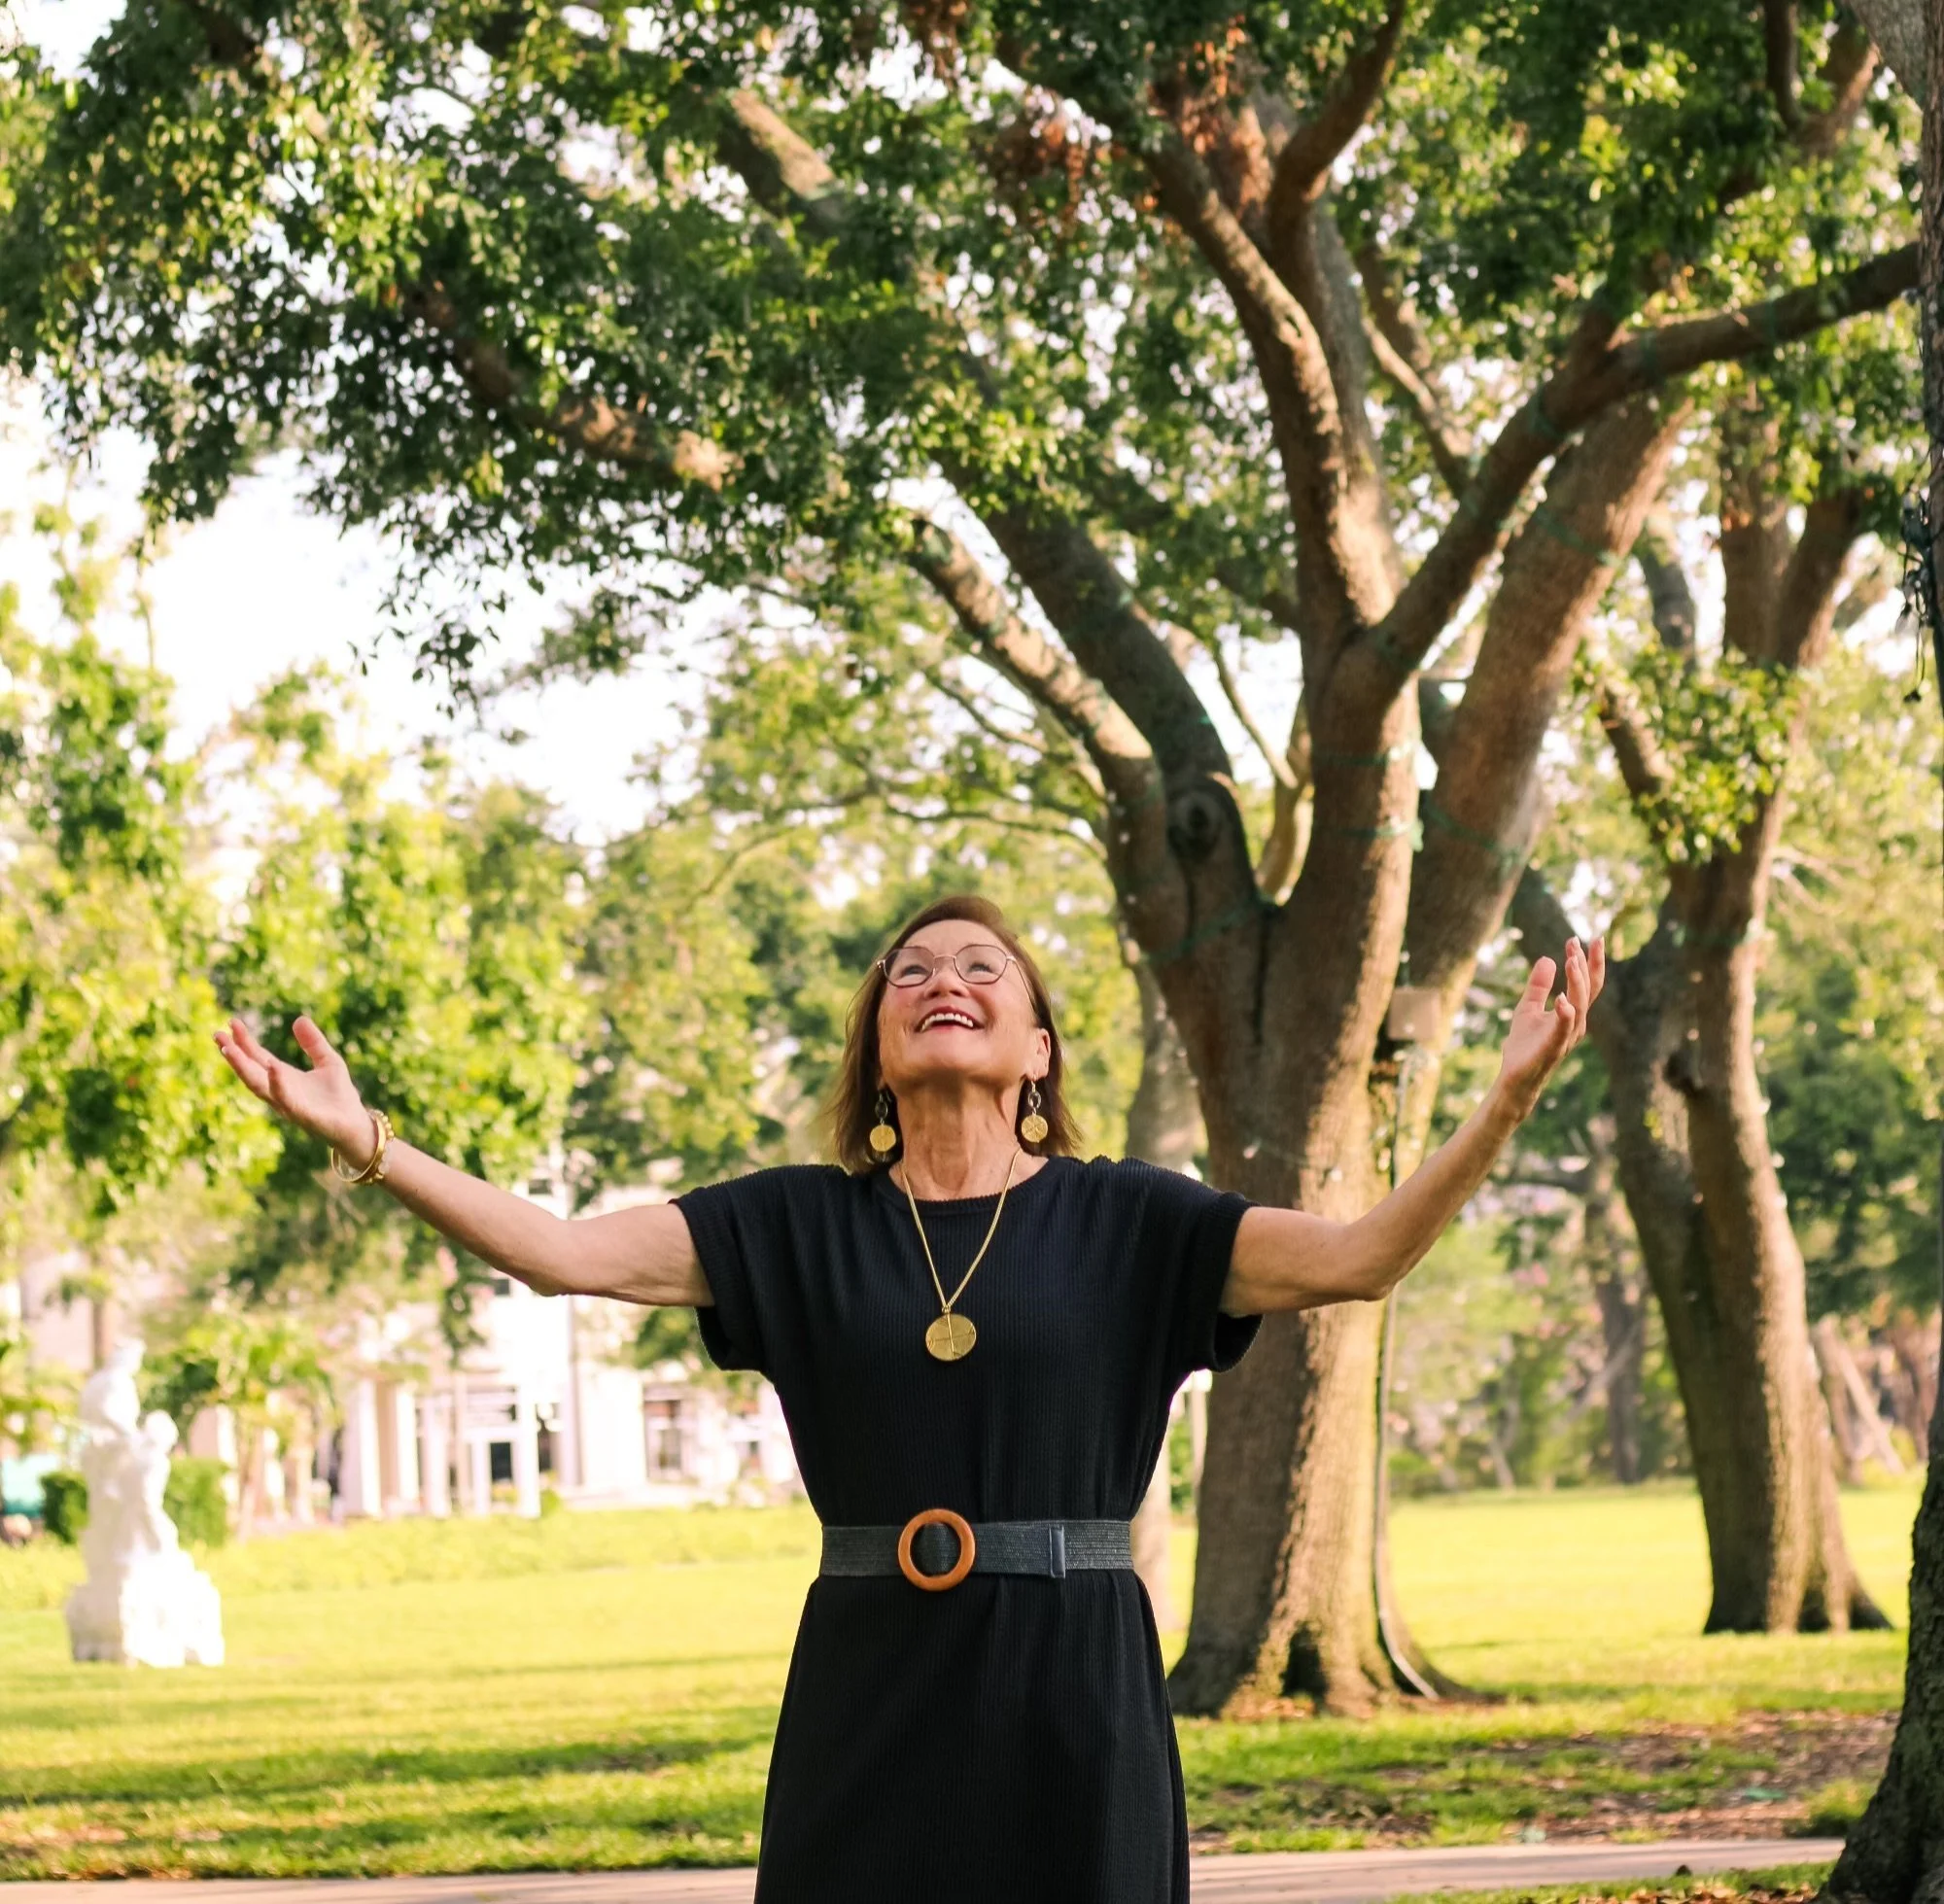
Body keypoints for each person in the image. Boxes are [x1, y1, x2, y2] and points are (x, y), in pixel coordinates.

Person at [214, 892, 1603, 1902]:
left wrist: (1502, 1104)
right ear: (879, 1051)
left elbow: (1364, 1254)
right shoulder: (795, 1227)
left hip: (1076, 1679)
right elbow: (562, 1251)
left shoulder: (1135, 1222)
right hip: (870, 1681)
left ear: (1041, 1050)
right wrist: (370, 1143)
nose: (945, 980)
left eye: (983, 968)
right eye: (912, 973)